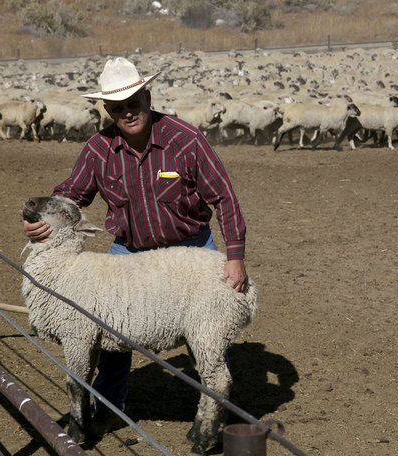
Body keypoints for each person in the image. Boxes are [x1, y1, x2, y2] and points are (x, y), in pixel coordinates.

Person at [21, 57, 248, 436]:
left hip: (190, 250)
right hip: (131, 251)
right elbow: (71, 195)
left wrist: (235, 256)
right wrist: (42, 219)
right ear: (107, 110)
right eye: (117, 107)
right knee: (107, 332)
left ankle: (213, 410)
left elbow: (223, 196)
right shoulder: (99, 149)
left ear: (147, 97)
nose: (127, 112)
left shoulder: (185, 139)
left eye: (133, 103)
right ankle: (110, 408)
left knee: (204, 333)